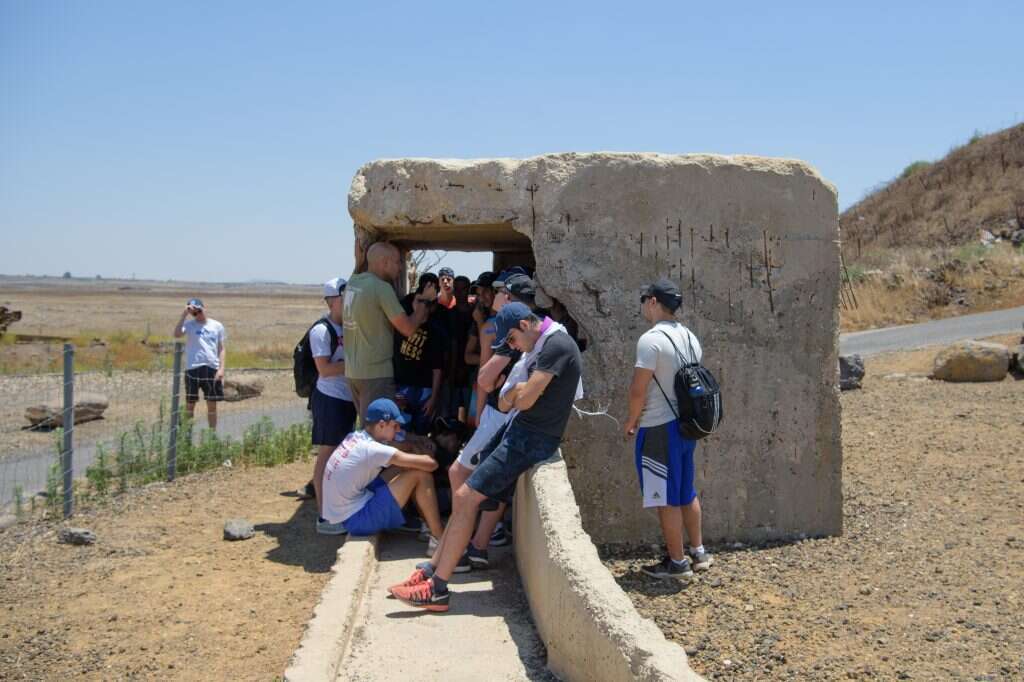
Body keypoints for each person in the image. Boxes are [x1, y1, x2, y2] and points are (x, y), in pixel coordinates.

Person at [390, 303, 582, 611]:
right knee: (463, 493)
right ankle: (431, 571)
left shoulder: (557, 344)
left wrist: (516, 393)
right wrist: (515, 392)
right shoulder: (540, 343)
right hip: (517, 429)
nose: (513, 348)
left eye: (513, 341)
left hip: (531, 438)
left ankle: (438, 587)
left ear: (524, 324)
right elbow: (507, 402)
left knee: (465, 497)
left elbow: (526, 398)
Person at [623, 278, 713, 579]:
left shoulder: (651, 340)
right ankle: (699, 552)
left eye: (643, 299)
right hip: (686, 426)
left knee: (665, 497)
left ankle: (676, 563)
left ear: (652, 302)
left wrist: (632, 420)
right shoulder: (689, 336)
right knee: (686, 491)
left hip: (658, 427)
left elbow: (638, 389)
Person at [317, 398, 445, 548]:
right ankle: (440, 539)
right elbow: (432, 465)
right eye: (395, 426)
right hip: (357, 519)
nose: (398, 430)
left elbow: (401, 447)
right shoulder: (373, 450)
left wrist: (411, 448)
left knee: (409, 467)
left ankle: (428, 525)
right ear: (381, 425)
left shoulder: (357, 436)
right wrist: (425, 452)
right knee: (421, 474)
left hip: (348, 510)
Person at [343, 242, 435, 420]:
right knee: (378, 431)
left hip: (354, 372)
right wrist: (424, 303)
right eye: (398, 262)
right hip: (375, 374)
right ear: (384, 262)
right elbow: (407, 328)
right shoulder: (382, 288)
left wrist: (359, 260)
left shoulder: (353, 282)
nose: (400, 268)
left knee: (367, 425)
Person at [300, 278, 359, 534]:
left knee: (339, 456)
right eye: (343, 297)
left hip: (346, 399)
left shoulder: (346, 327)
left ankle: (337, 509)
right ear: (332, 300)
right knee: (327, 456)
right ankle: (324, 516)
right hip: (330, 399)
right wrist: (356, 364)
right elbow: (324, 369)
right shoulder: (322, 331)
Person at [393, 290, 444, 435]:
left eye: (425, 302)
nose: (421, 306)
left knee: (422, 433)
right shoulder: (400, 325)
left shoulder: (435, 331)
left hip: (424, 390)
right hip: (402, 388)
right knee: (400, 433)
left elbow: (437, 368)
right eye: (418, 301)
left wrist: (433, 398)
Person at [173, 298, 226, 429]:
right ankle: (186, 434)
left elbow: (221, 348)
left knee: (212, 405)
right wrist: (184, 315)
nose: (198, 314)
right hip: (193, 368)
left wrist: (221, 369)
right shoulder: (189, 325)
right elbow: (177, 334)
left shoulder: (217, 326)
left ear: (204, 308)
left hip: (211, 368)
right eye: (194, 313)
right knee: (190, 404)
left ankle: (211, 436)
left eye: (199, 311)